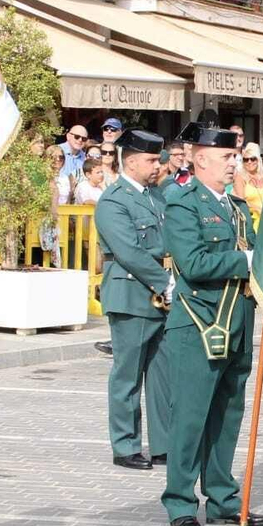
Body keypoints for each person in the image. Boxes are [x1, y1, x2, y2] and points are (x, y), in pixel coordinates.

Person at [160, 123, 263, 526]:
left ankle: (222, 497)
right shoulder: (183, 203)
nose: (233, 164)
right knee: (190, 417)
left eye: (235, 157)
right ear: (200, 158)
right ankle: (180, 503)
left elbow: (256, 257)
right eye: (226, 157)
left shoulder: (238, 208)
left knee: (227, 416)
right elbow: (193, 263)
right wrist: (248, 261)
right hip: (199, 325)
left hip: (237, 323)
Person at [95, 130, 173, 471]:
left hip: (162, 294)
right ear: (131, 161)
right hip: (131, 293)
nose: (157, 166)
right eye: (151, 160)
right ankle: (125, 445)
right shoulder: (114, 200)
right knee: (128, 375)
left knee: (162, 374)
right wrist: (164, 281)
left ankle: (163, 444)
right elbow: (128, 251)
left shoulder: (157, 197)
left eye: (158, 160)